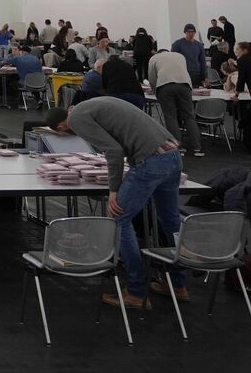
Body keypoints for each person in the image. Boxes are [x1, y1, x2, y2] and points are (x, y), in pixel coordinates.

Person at [45, 98, 186, 308]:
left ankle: (136, 292)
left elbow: (113, 150)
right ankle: (178, 284)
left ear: (61, 127)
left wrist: (114, 189)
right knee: (170, 219)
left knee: (119, 218)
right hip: (172, 155)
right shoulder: (90, 105)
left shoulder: (76, 119)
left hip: (151, 162)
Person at [147, 49, 202, 156]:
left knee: (170, 117)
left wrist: (156, 92)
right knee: (189, 117)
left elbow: (152, 78)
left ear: (158, 53)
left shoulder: (154, 58)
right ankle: (197, 148)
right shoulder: (180, 56)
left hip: (164, 86)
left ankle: (178, 148)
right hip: (185, 85)